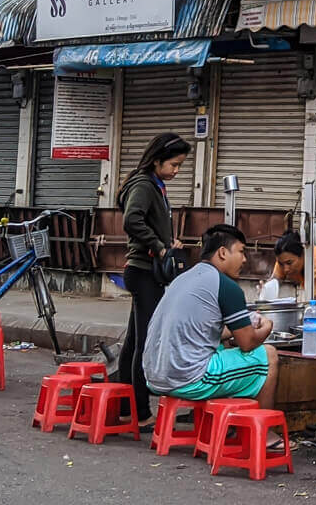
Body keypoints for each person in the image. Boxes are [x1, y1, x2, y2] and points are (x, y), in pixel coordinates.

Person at [143, 224, 280, 411]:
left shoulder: (184, 278)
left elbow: (203, 332)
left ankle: (227, 426)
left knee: (224, 348)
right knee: (268, 355)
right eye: (241, 252)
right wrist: (267, 327)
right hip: (188, 378)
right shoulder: (226, 286)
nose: (244, 259)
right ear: (223, 252)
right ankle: (264, 433)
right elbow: (247, 342)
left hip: (154, 375)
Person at [116, 132, 191, 427]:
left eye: (180, 165)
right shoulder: (145, 185)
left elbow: (142, 222)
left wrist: (166, 241)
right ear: (157, 160)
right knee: (145, 343)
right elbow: (132, 220)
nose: (176, 171)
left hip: (145, 271)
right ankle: (140, 412)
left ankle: (127, 409)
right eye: (174, 164)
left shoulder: (153, 186)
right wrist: (159, 246)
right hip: (143, 271)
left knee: (135, 340)